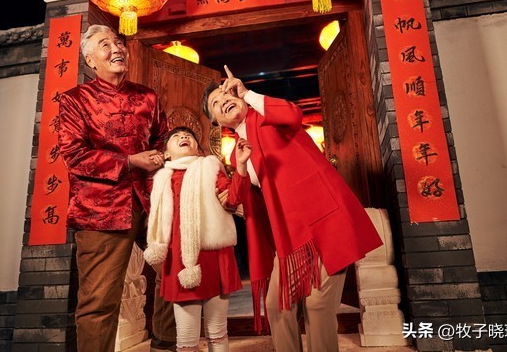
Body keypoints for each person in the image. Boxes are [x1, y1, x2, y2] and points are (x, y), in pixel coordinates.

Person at [201, 66, 384, 352]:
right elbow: (241, 200)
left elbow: (293, 114)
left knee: (318, 304)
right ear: (214, 120)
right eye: (215, 102)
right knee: (278, 306)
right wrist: (239, 169)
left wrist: (248, 93)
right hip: (291, 237)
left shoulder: (267, 117)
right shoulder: (238, 151)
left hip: (325, 219)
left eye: (227, 93)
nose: (224, 99)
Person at [58, 24, 176, 352]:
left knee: (177, 271)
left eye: (118, 43)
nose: (116, 48)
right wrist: (131, 161)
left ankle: (167, 342)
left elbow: (162, 139)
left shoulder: (147, 97)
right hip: (100, 210)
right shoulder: (74, 100)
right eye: (105, 44)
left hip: (151, 202)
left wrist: (165, 160)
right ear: (90, 60)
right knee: (99, 301)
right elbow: (75, 156)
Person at [143, 126, 252, 352]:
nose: (183, 137)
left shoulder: (211, 168)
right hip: (181, 262)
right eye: (176, 136)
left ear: (198, 150)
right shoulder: (160, 179)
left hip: (214, 256)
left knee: (217, 332)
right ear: (166, 153)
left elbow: (233, 199)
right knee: (186, 338)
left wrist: (241, 167)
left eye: (189, 136)